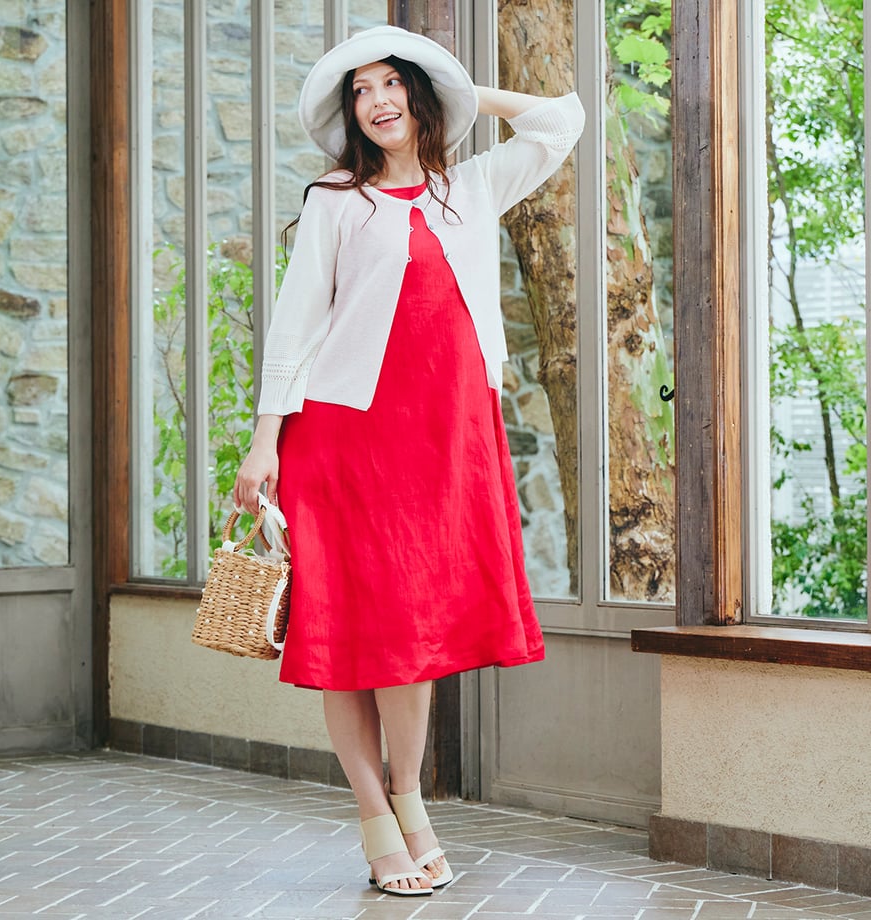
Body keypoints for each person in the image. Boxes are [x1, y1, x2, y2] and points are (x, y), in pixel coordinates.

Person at [233, 25, 584, 897]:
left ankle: (410, 799)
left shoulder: (471, 186)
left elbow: (561, 122)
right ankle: (376, 818)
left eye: (393, 83)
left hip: (442, 441)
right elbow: (295, 325)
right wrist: (264, 440)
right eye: (361, 90)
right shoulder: (335, 200)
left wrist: (462, 90)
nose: (378, 101)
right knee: (348, 633)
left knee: (412, 636)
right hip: (344, 441)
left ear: (420, 97)